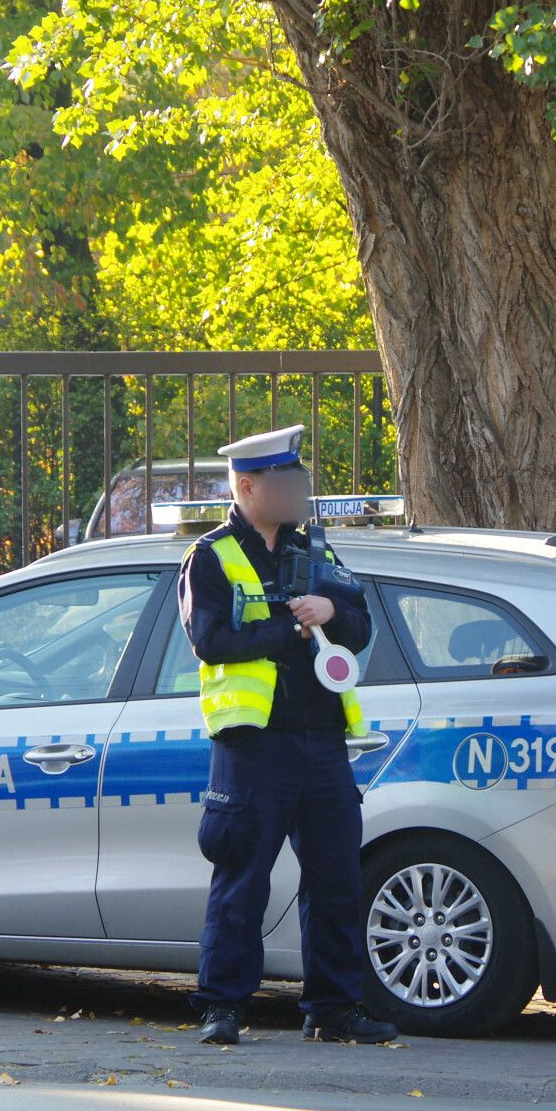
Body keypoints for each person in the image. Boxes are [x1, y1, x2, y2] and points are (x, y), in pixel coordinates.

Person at [179, 424, 399, 1046]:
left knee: (336, 879)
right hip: (254, 745)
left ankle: (333, 1009)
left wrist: (331, 613)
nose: (299, 495)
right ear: (249, 487)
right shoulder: (212, 557)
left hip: (321, 739)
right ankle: (221, 1006)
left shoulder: (319, 553)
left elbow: (359, 625)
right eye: (286, 484)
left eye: (301, 483)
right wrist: (291, 630)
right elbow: (211, 640)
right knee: (241, 878)